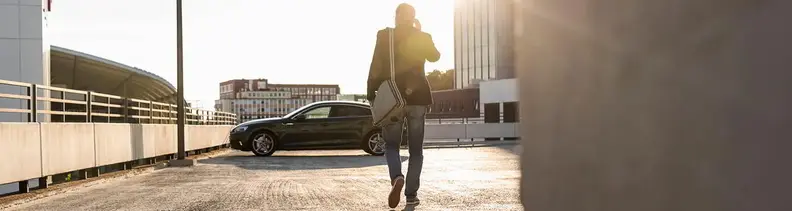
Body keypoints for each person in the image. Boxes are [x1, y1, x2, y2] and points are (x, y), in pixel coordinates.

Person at [366, 3, 441, 208]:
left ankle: (397, 178)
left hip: (392, 99)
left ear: (396, 17)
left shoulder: (384, 36)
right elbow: (435, 56)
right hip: (418, 99)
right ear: (413, 17)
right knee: (416, 150)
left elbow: (375, 66)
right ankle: (411, 194)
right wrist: (421, 32)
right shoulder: (422, 36)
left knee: (392, 146)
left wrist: (371, 93)